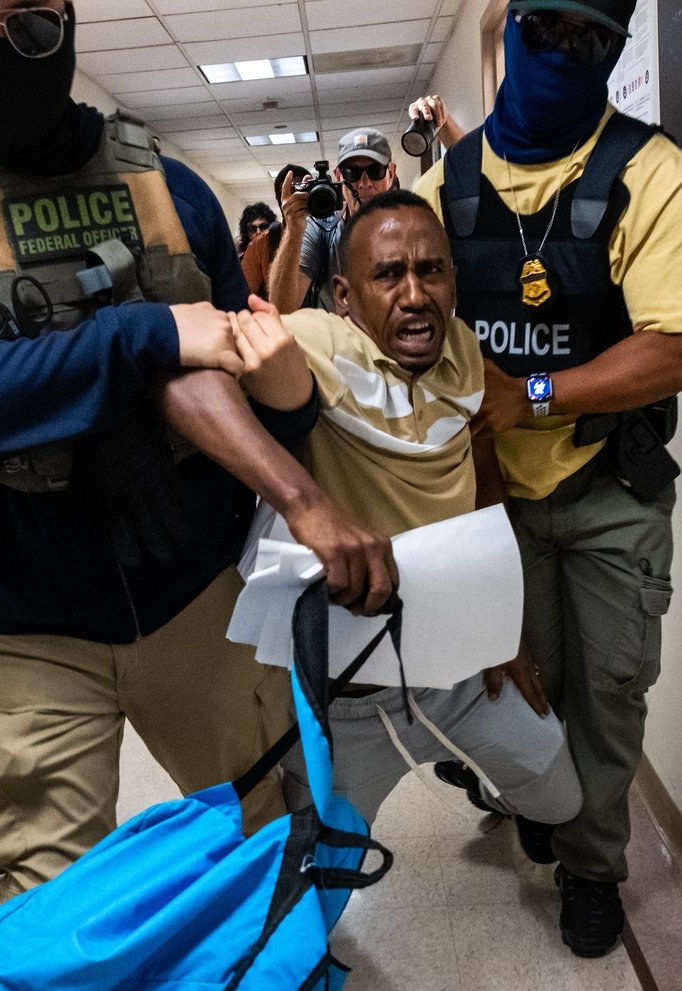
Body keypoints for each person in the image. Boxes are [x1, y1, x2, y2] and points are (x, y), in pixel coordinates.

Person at [0, 3, 395, 991]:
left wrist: (283, 412)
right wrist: (150, 334)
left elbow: (248, 388)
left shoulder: (168, 185)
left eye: (27, 18)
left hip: (195, 593)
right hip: (30, 622)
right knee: (50, 953)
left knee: (273, 842)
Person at [413, 0, 682, 957]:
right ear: (512, 28)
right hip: (491, 497)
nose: (563, 54)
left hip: (608, 485)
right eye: (546, 30)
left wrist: (537, 394)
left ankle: (593, 866)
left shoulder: (655, 174)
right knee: (518, 681)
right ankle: (539, 804)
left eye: (589, 42)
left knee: (608, 691)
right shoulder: (445, 189)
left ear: (615, 50)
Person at [239, 190, 581, 841]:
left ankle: (478, 775)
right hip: (346, 700)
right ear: (343, 295)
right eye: (389, 274)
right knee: (317, 890)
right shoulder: (316, 343)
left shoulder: (466, 351)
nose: (415, 293)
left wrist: (503, 627)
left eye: (432, 270)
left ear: (454, 280)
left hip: (458, 667)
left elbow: (485, 480)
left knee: (558, 800)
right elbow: (205, 372)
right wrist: (301, 501)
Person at [268, 128, 397, 314]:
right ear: (338, 176)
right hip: (337, 340)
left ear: (391, 173)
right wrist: (294, 233)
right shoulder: (322, 228)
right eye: (352, 173)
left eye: (375, 171)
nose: (364, 183)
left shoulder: (408, 228)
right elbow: (281, 307)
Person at [240, 163, 309, 300]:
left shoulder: (329, 232)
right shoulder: (261, 245)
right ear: (280, 198)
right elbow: (243, 297)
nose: (299, 196)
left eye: (305, 188)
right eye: (292, 190)